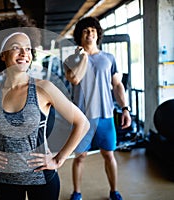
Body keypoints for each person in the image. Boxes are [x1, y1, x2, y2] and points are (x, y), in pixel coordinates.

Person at [0, 21, 90, 199]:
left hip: (42, 178)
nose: (24, 53)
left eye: (28, 48)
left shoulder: (44, 88)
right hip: (6, 180)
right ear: (3, 55)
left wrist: (58, 159)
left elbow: (82, 123)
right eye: (16, 47)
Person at [63, 17, 131, 200]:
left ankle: (114, 191)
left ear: (98, 34)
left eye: (93, 30)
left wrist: (125, 108)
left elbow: (117, 85)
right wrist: (83, 57)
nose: (90, 33)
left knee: (109, 154)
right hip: (82, 118)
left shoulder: (109, 58)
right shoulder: (71, 59)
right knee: (80, 157)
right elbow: (74, 79)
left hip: (105, 116)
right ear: (80, 36)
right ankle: (77, 193)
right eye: (85, 30)